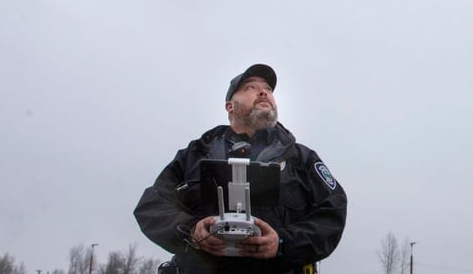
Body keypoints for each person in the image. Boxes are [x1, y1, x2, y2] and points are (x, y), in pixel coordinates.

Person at [134, 63, 347, 274]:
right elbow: (152, 206)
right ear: (230, 106)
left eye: (269, 89)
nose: (264, 92)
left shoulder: (301, 159)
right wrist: (191, 230)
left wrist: (282, 243)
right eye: (250, 87)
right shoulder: (196, 154)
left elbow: (332, 212)